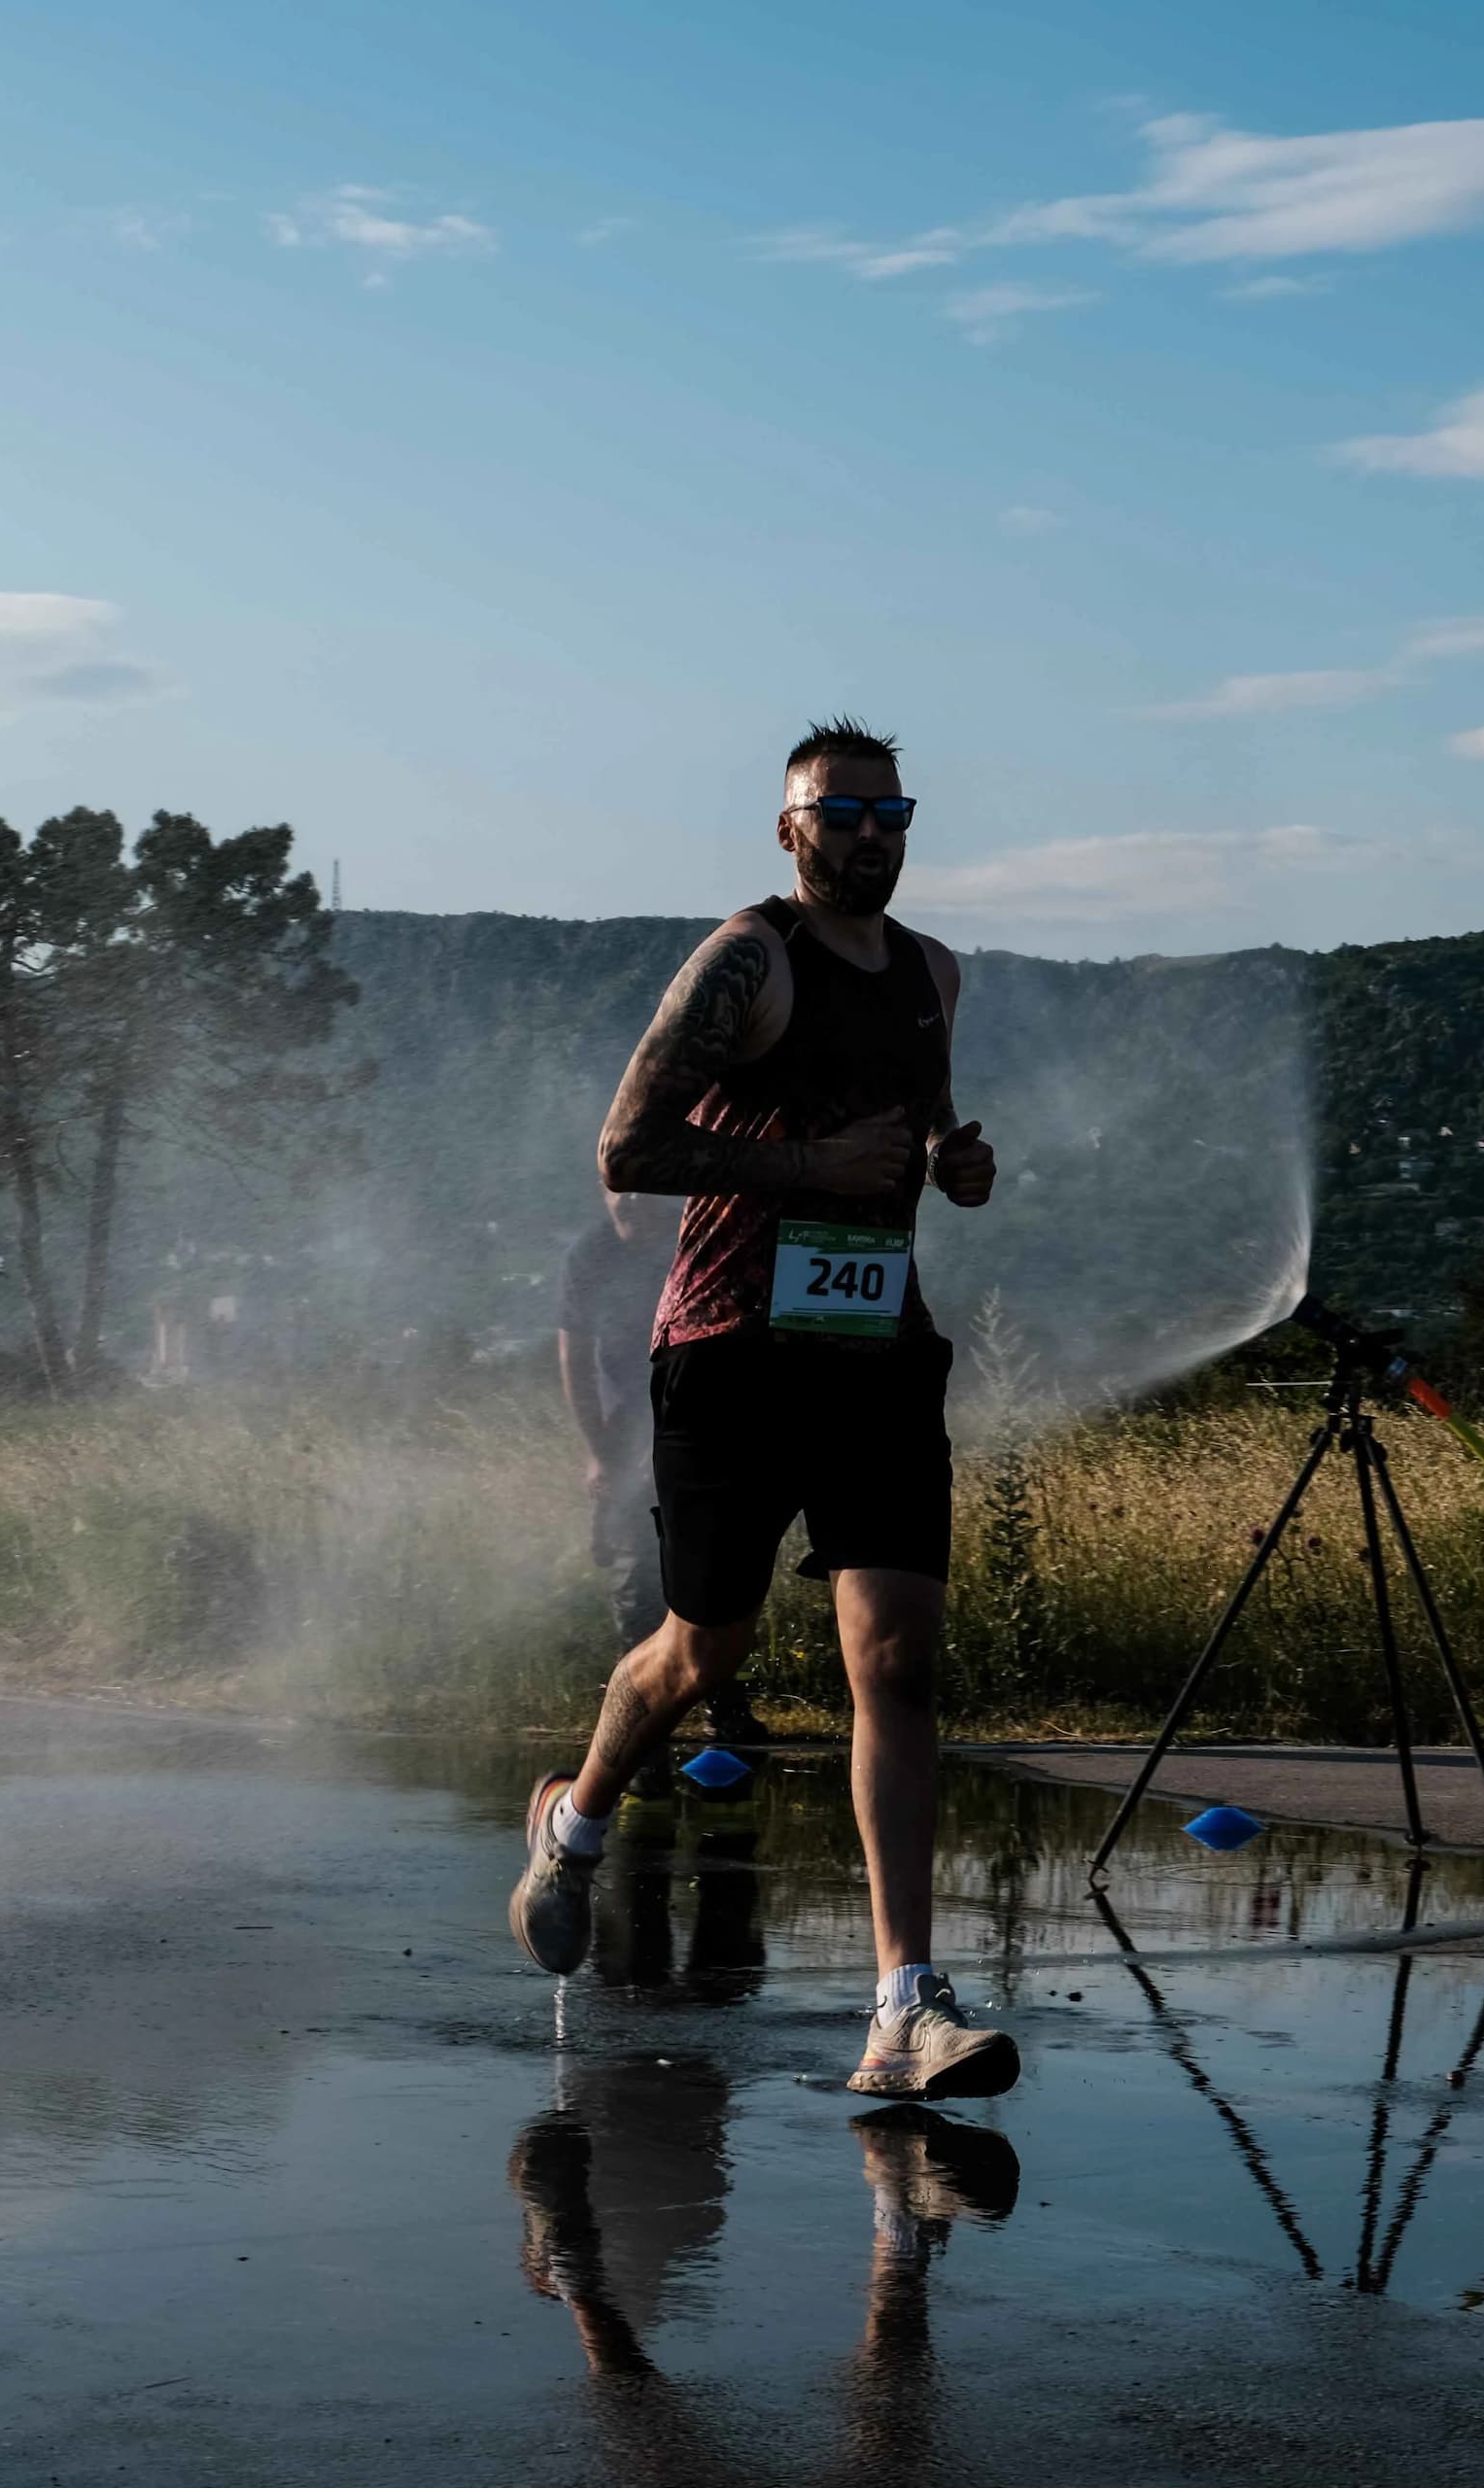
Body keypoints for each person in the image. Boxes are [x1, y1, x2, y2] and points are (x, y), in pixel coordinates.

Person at [507, 716, 1015, 2102]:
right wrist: (807, 1158)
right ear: (787, 831)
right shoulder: (749, 962)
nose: (869, 834)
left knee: (897, 1658)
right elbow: (631, 1146)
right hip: (731, 1345)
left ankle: (904, 2005)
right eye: (838, 813)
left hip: (877, 1351)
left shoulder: (934, 975)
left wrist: (949, 1164)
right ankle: (577, 1816)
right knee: (703, 1648)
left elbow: (905, 1143)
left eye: (889, 811)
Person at [558, 1191, 766, 1752]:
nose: (627, 1197)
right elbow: (573, 1358)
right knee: (636, 1583)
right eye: (615, 1185)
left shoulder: (698, 1235)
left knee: (713, 1573)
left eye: (639, 1184)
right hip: (629, 1434)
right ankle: (642, 1731)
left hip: (704, 1420)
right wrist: (598, 1449)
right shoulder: (591, 1255)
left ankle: (727, 1712)